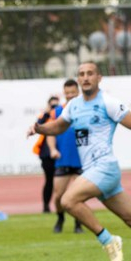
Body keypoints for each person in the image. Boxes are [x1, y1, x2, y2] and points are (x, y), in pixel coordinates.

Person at [27, 62, 131, 261]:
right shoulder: (73, 106)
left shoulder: (108, 103)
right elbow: (58, 126)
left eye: (90, 73)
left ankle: (108, 240)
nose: (85, 77)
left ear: (99, 78)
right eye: (81, 74)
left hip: (104, 167)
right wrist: (39, 128)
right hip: (93, 171)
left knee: (67, 200)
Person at [47, 79, 84, 234]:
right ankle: (60, 218)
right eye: (67, 93)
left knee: (79, 195)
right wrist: (52, 149)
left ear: (78, 92)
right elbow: (50, 132)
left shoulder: (85, 110)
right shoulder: (57, 112)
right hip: (63, 160)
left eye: (73, 92)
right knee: (58, 196)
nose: (70, 95)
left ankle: (78, 223)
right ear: (64, 93)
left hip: (81, 160)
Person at [32, 95, 61, 213]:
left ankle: (61, 207)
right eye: (52, 105)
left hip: (60, 153)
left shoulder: (61, 115)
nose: (54, 107)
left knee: (61, 182)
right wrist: (47, 113)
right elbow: (38, 125)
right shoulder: (45, 116)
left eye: (56, 105)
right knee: (49, 181)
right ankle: (46, 206)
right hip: (46, 154)